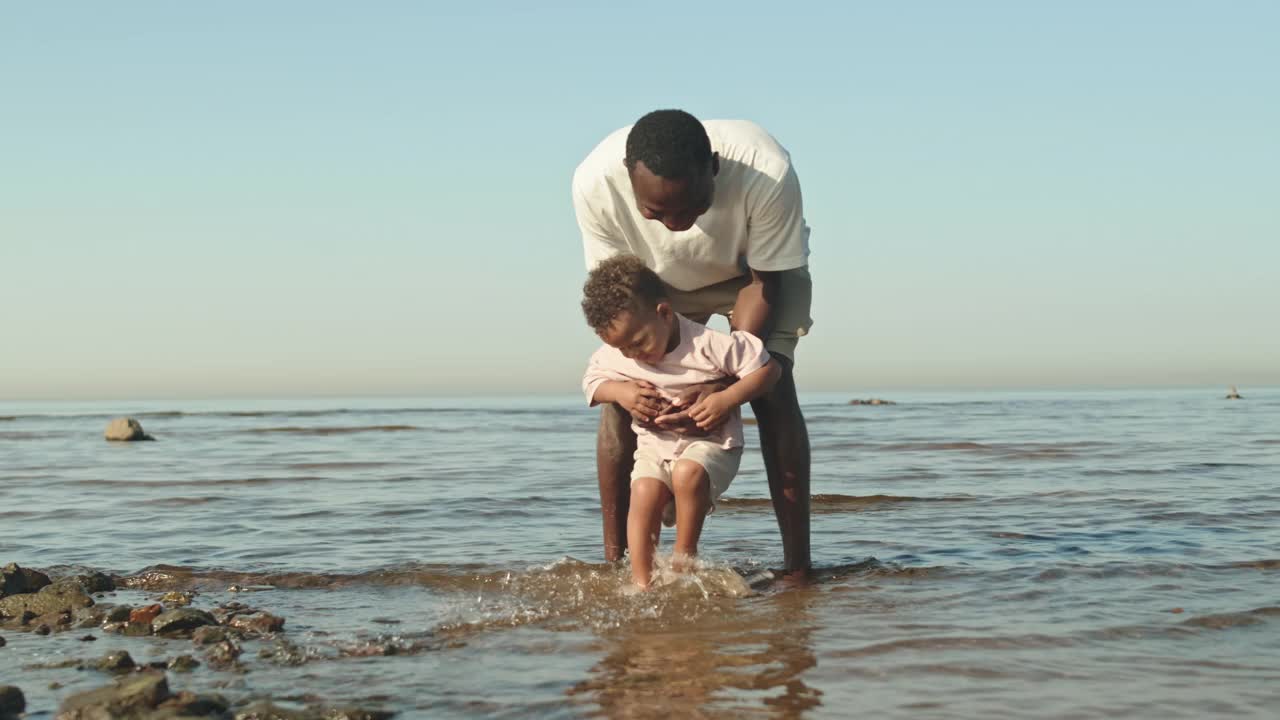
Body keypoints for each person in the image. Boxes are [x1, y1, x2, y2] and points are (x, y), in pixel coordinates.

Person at [572, 109, 814, 576]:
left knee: (772, 388)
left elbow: (766, 282)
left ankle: (798, 570)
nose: (676, 224)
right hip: (653, 285)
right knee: (624, 398)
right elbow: (622, 291)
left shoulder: (766, 172)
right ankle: (615, 564)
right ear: (628, 179)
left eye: (691, 208)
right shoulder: (594, 184)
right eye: (655, 213)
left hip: (754, 277)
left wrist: (722, 383)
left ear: (715, 169)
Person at [581, 255, 782, 588]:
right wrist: (620, 392)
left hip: (712, 445)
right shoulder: (618, 354)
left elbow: (768, 370)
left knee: (688, 472)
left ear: (663, 313)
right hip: (654, 449)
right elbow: (592, 382)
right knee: (643, 490)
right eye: (623, 349)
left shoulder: (707, 345)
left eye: (639, 342)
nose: (633, 355)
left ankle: (683, 560)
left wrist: (726, 399)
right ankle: (641, 582)